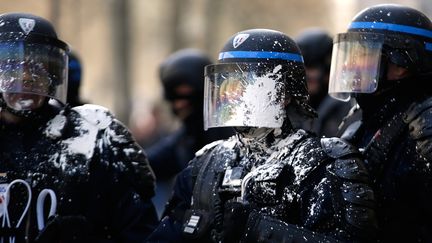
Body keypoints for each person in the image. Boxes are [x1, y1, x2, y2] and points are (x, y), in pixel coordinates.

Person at [147, 29, 377, 242]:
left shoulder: (324, 163)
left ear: (284, 93)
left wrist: (259, 228)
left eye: (248, 87)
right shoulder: (205, 162)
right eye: (229, 86)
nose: (234, 98)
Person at [0, 13, 157, 242]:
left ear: (53, 78)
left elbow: (140, 229)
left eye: (36, 73)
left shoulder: (95, 136)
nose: (25, 80)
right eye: (12, 71)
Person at [328, 4, 432, 242]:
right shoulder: (361, 123)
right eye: (348, 55)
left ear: (401, 65)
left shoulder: (424, 127)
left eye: (361, 54)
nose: (348, 66)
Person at [146, 49, 234, 217]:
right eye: (173, 97)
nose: (179, 105)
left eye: (185, 94)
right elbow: (151, 162)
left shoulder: (228, 134)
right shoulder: (185, 137)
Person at [295, 28, 354, 137]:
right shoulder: (301, 106)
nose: (304, 75)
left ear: (329, 69)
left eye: (311, 66)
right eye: (299, 68)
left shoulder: (341, 108)